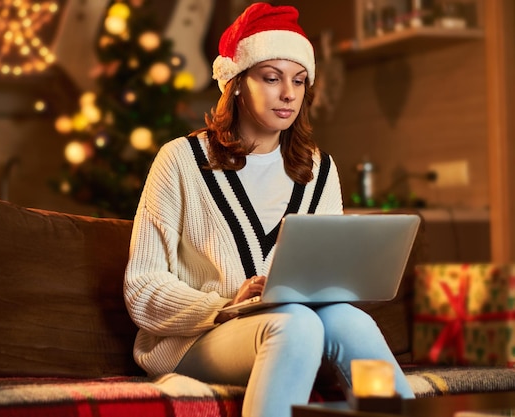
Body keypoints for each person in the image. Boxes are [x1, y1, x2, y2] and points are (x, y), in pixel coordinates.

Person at [123, 3, 415, 417]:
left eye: (298, 81)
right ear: (238, 83)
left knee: (350, 321)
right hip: (194, 340)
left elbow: (323, 282)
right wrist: (223, 306)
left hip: (295, 325)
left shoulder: (319, 171)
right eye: (272, 78)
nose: (288, 94)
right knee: (293, 325)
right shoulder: (181, 161)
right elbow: (141, 288)